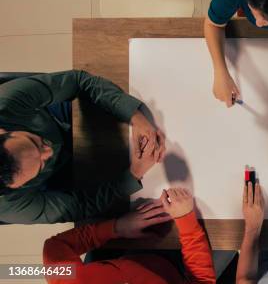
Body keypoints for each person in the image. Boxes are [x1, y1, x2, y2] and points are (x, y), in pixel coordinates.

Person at [0, 70, 166, 224]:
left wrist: (134, 116)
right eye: (40, 165)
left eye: (34, 142)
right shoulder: (9, 206)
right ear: (15, 186)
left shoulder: (5, 101)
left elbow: (79, 81)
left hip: (58, 119)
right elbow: (81, 207)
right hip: (62, 179)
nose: (48, 151)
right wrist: (134, 174)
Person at [43, 187, 216, 284]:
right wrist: (185, 219)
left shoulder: (71, 280)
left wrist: (117, 228)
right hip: (176, 272)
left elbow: (55, 246)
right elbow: (202, 280)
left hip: (116, 254)